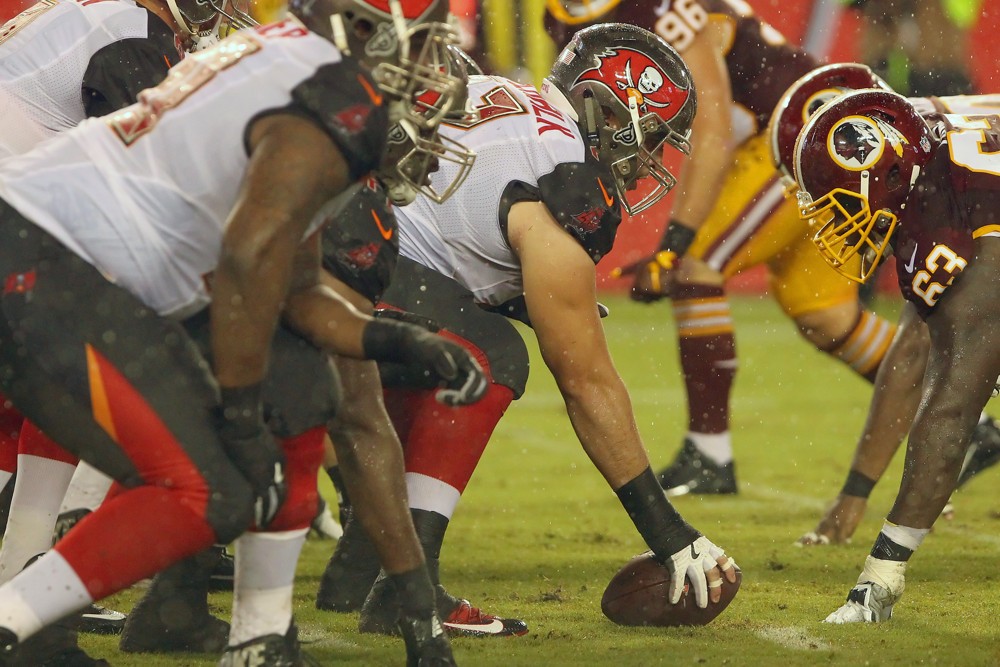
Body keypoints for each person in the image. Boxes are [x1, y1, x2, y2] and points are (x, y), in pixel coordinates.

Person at [0, 3, 484, 664]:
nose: (431, 61)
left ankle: (41, 629)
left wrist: (394, 340)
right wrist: (240, 413)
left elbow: (299, 286)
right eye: (422, 41)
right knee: (209, 485)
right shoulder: (331, 98)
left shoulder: (280, 55)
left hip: (50, 254)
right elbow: (248, 258)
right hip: (53, 264)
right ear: (364, 28)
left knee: (262, 421)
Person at [320, 23, 739, 640]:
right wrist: (669, 534)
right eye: (646, 135)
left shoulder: (501, 92)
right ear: (612, 107)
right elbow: (587, 386)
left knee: (449, 342)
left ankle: (360, 567)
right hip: (355, 264)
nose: (644, 158)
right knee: (489, 357)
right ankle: (411, 590)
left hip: (320, 237)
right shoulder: (563, 178)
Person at [545, 0, 900, 497]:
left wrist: (673, 243)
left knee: (695, 268)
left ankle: (709, 454)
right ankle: (961, 420)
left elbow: (710, 131)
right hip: (780, 133)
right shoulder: (561, 14)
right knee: (824, 313)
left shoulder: (663, 8)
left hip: (806, 130)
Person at [768, 67, 1000, 545]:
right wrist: (858, 490)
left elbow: (916, 354)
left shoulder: (927, 175)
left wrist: (856, 492)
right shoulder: (921, 145)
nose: (834, 211)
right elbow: (913, 346)